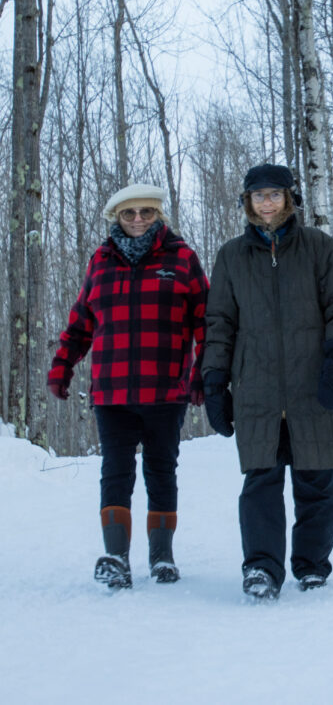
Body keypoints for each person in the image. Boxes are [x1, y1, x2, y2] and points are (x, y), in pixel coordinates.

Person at [203, 163, 333, 600]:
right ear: (247, 201)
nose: (267, 202)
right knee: (261, 483)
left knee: (320, 481)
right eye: (259, 195)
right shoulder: (231, 256)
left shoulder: (318, 247)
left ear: (289, 198)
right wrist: (214, 379)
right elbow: (219, 323)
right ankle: (261, 569)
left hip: (316, 383)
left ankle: (311, 566)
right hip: (258, 390)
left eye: (275, 194)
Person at [48, 184, 208, 589]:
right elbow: (81, 323)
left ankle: (162, 558)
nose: (138, 219)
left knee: (161, 470)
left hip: (165, 388)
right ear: (116, 218)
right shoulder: (100, 261)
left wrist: (203, 373)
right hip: (112, 389)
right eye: (129, 213)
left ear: (160, 217)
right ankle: (116, 557)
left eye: (146, 213)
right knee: (115, 472)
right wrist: (62, 367)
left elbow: (205, 322)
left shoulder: (182, 258)